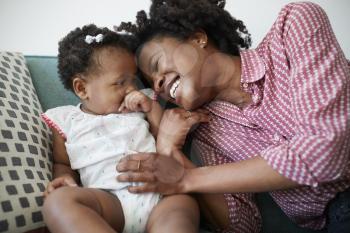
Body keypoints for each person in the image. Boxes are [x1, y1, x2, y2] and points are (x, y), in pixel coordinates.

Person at [115, 1, 350, 233]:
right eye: (153, 86)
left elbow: (325, 150)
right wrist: (168, 150)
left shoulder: (292, 25)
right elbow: (244, 224)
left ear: (198, 38)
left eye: (156, 64)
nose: (157, 85)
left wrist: (187, 179)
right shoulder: (206, 134)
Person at [41, 24, 200, 233]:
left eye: (132, 79)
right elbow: (62, 161)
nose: (131, 89)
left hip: (162, 196)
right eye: (119, 82)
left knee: (183, 205)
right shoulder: (67, 119)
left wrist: (150, 108)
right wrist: (64, 177)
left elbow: (164, 137)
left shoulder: (143, 103)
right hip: (108, 202)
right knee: (58, 201)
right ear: (82, 88)